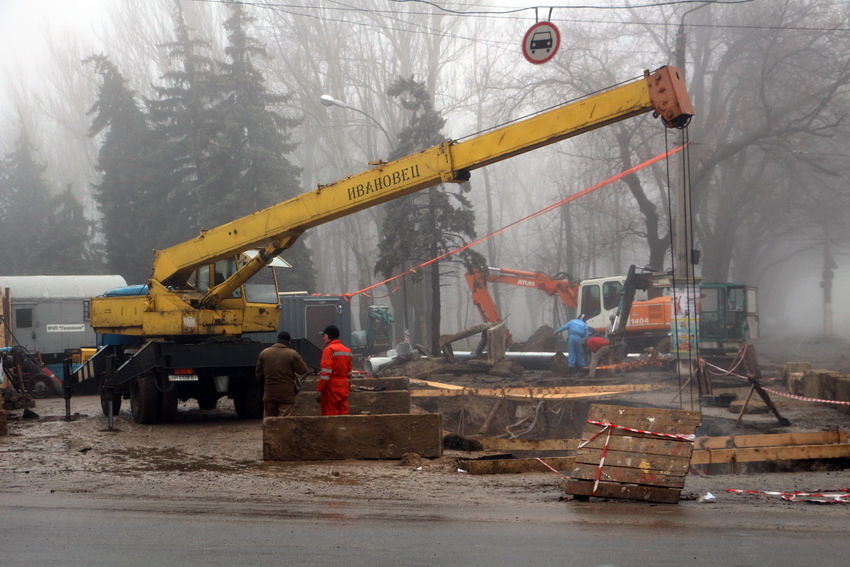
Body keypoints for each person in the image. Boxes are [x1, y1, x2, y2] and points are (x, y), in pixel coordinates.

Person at [255, 330, 309, 418]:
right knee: (284, 421)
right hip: (286, 393)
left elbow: (259, 375)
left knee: (269, 421)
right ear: (289, 341)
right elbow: (302, 370)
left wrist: (265, 387)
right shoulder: (292, 354)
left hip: (269, 392)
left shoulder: (264, 353)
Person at [317, 325, 353, 416]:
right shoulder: (347, 350)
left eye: (324, 336)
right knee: (343, 415)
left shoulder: (329, 350)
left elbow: (326, 373)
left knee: (330, 417)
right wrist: (347, 388)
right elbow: (349, 373)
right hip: (343, 387)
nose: (323, 338)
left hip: (331, 388)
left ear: (329, 336)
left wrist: (320, 389)